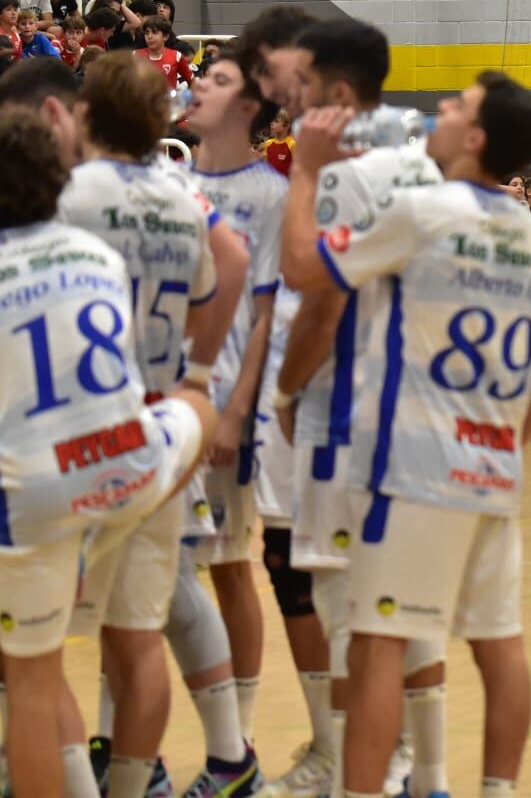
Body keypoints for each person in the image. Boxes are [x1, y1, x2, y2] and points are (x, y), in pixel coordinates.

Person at [280, 72, 531, 798]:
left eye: (456, 106)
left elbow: (301, 268)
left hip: (409, 474)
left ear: (475, 139)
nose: (438, 111)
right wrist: (501, 442)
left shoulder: (422, 211)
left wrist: (307, 170)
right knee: (500, 647)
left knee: (376, 649)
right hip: (491, 471)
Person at [0, 107, 215, 798]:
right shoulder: (94, 252)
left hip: (36, 487)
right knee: (199, 406)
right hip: (131, 461)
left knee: (30, 675)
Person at [53, 53, 246, 796]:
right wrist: (199, 370)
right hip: (162, 426)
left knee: (31, 643)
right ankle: (134, 785)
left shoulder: (70, 191)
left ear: (86, 114)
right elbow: (230, 257)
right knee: (138, 634)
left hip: (78, 426)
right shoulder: (180, 195)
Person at [272, 20, 449, 798]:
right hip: (423, 418)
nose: (293, 101)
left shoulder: (344, 175)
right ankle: (427, 772)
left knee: (350, 616)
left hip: (350, 420)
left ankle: (365, 774)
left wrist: (284, 387)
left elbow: (316, 292)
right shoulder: (429, 169)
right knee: (408, 606)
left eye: (305, 87)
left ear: (339, 95)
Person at [186, 46, 289, 790]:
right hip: (166, 407)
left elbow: (265, 314)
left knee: (226, 570)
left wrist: (240, 408)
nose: (196, 82)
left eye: (216, 79)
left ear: (250, 107)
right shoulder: (171, 182)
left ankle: (238, 745)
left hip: (224, 407)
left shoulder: (270, 193)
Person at [134, 15, 194, 91]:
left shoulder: (176, 56)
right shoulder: (135, 56)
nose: (149, 36)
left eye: (155, 32)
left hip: (168, 102)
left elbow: (192, 81)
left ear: (165, 36)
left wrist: (190, 99)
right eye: (147, 33)